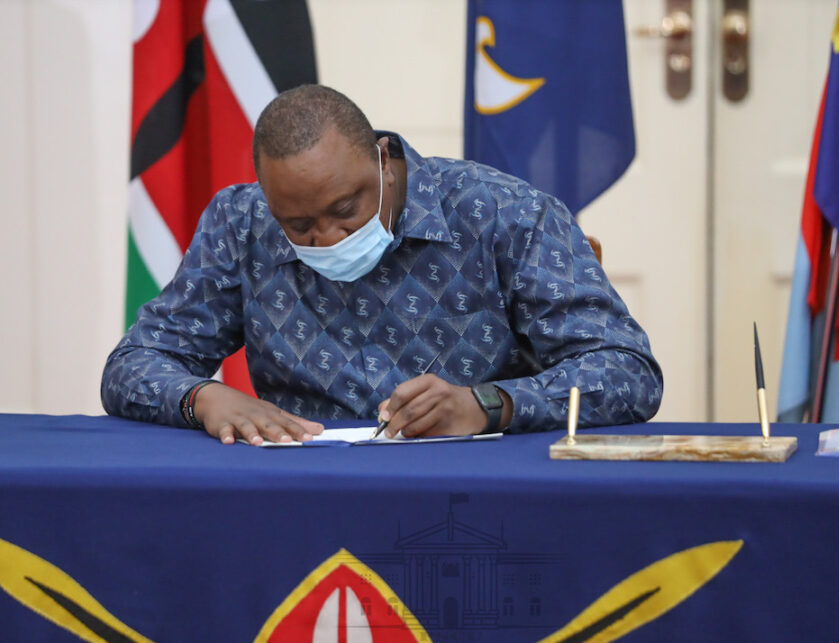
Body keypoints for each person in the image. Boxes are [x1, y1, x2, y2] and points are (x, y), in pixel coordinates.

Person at [101, 85, 662, 445]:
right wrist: (204, 397)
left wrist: (489, 404)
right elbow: (133, 363)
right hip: (298, 490)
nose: (327, 236)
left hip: (474, 486)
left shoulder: (503, 213)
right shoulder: (242, 221)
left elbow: (627, 371)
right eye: (298, 225)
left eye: (346, 209)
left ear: (385, 162)